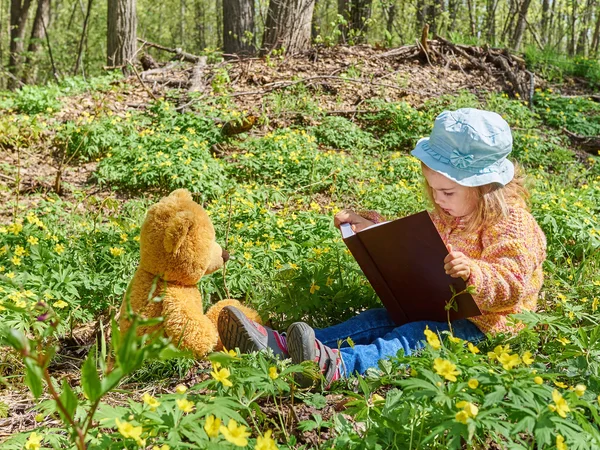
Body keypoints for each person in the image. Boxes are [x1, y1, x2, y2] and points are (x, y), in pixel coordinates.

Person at [217, 108, 547, 387]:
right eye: (433, 190)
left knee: (415, 335)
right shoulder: (448, 214)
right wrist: (370, 231)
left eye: (447, 192)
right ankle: (288, 346)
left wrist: (474, 273)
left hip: (484, 327)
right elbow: (415, 241)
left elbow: (512, 283)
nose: (438, 200)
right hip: (437, 306)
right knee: (375, 319)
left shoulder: (511, 223)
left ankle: (338, 367)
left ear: (484, 187)